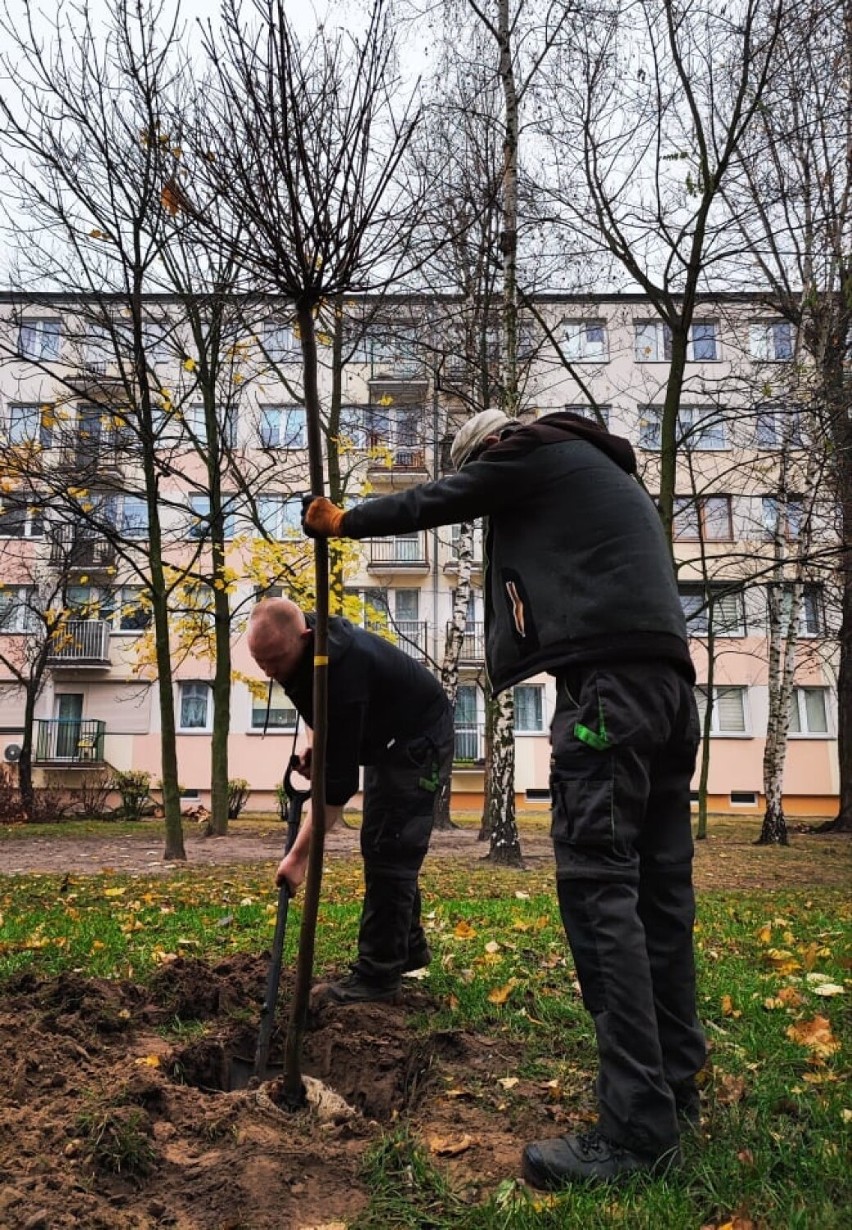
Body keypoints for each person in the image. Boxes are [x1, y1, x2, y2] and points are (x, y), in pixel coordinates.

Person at [301, 408, 706, 1185]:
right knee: (660, 892)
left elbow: (437, 500)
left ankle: (635, 1133)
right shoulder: (604, 469)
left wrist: (346, 520)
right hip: (667, 690)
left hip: (609, 699)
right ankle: (674, 1085)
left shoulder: (531, 450)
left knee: (599, 893)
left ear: (488, 447)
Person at [247, 597, 454, 1006]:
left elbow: (335, 793)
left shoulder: (342, 670)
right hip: (385, 739)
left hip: (419, 740)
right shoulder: (302, 654)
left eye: (275, 661)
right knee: (384, 843)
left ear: (305, 638)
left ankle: (377, 978)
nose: (270, 672)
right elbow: (315, 714)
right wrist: (316, 747)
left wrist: (298, 858)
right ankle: (406, 948)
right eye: (261, 664)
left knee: (390, 847)